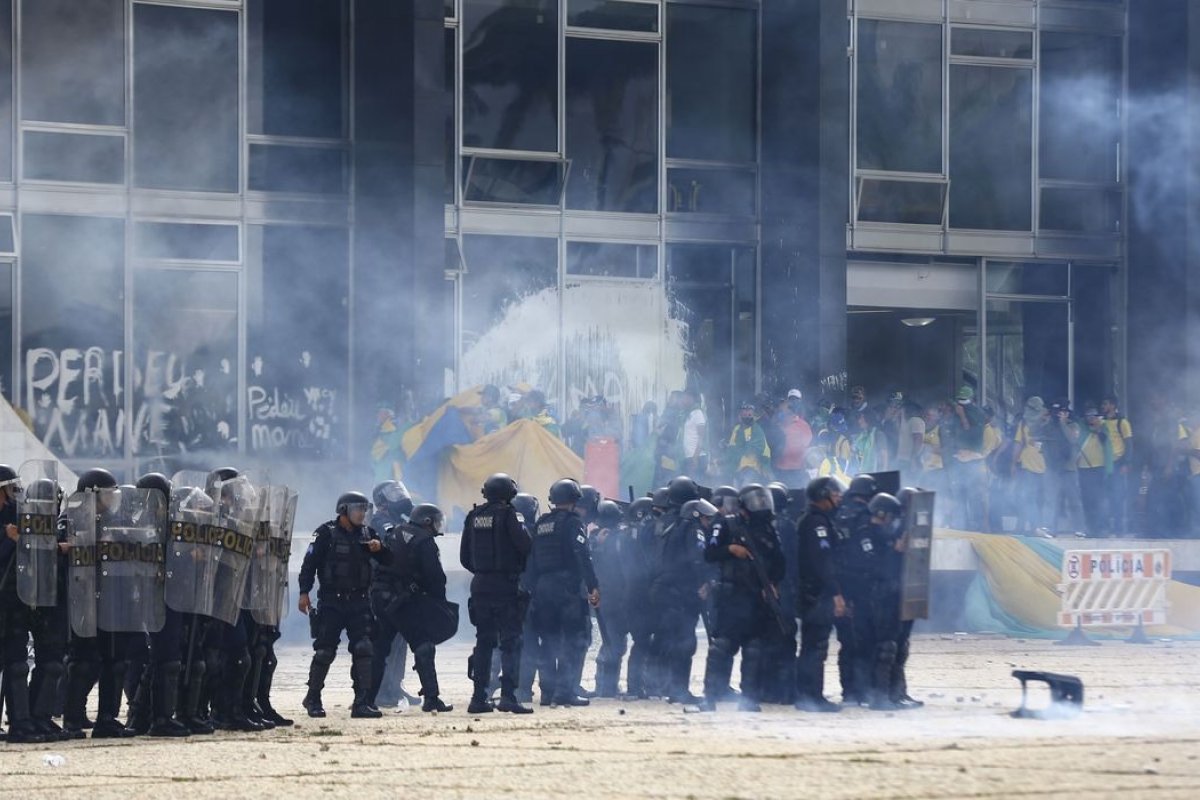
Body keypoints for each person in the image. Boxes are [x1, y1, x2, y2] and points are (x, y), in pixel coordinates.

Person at [298, 491, 388, 719]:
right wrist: (304, 592)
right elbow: (309, 564)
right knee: (325, 650)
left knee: (364, 648)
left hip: (359, 601)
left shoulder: (368, 534)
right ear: (343, 510)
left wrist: (381, 549)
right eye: (357, 508)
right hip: (332, 602)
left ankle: (362, 702)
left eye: (364, 509)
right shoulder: (325, 533)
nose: (362, 513)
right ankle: (313, 697)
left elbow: (389, 560)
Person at [699, 487, 785, 713]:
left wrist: (773, 584)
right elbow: (710, 553)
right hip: (732, 597)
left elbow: (779, 561)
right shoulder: (727, 524)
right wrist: (730, 548)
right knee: (722, 647)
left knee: (754, 649)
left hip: (757, 597)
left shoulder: (768, 529)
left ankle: (749, 699)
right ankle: (710, 696)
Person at [460, 473, 534, 714]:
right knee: (511, 642)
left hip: (480, 584)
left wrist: (483, 571)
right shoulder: (510, 515)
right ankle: (508, 696)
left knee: (484, 641)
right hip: (505, 586)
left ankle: (478, 697)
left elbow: (465, 556)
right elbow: (525, 545)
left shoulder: (473, 516)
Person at [369, 503, 453, 713]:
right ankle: (432, 699)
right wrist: (438, 602)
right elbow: (435, 577)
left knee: (380, 649)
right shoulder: (424, 541)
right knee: (423, 646)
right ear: (427, 521)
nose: (437, 526)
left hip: (381, 598)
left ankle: (366, 699)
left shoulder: (397, 531)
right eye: (435, 521)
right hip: (402, 601)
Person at [528, 479, 601, 707]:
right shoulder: (573, 523)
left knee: (548, 640)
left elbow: (532, 560)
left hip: (543, 588)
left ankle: (548, 692)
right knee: (573, 641)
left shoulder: (541, 524)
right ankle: (565, 691)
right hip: (567, 588)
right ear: (574, 499)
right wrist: (592, 586)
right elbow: (582, 555)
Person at [0, 465, 46, 743]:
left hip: (13, 601)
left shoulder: (14, 515)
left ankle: (21, 723)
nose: (13, 494)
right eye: (9, 488)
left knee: (17, 664)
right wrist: (7, 540)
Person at [793, 476, 847, 713]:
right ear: (823, 495)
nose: (838, 499)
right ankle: (810, 697)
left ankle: (809, 694)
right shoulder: (817, 523)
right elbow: (822, 561)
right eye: (835, 494)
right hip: (816, 594)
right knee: (815, 647)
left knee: (814, 646)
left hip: (814, 592)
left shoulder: (818, 520)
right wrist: (836, 592)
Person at [369, 480, 419, 709]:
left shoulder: (399, 521)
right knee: (385, 643)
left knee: (400, 642)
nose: (401, 498)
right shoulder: (380, 521)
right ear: (381, 501)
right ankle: (381, 690)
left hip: (399, 589)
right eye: (394, 494)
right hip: (383, 589)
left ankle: (393, 685)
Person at [591, 500, 632, 698]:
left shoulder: (594, 537)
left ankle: (607, 686)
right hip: (613, 596)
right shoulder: (614, 538)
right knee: (614, 643)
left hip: (606, 595)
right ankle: (605, 686)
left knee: (613, 641)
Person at [1101, 396, 1133, 534]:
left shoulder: (1122, 422)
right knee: (1104, 496)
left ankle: (1119, 528)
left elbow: (1129, 444)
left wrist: (1127, 463)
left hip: (1118, 463)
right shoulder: (1101, 422)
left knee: (1118, 496)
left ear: (1113, 405)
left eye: (1106, 403)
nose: (1103, 406)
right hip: (1103, 463)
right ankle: (1106, 526)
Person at [772, 390, 813, 488]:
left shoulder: (803, 425)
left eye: (789, 409)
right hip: (780, 468)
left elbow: (808, 445)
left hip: (797, 469)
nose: (786, 411)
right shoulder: (777, 424)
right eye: (785, 409)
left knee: (796, 494)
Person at [726, 401, 771, 484]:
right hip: (737, 469)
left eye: (749, 414)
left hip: (752, 469)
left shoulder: (757, 430)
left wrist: (740, 449)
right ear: (740, 414)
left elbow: (756, 449)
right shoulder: (737, 428)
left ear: (753, 415)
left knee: (745, 492)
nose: (746, 415)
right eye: (744, 413)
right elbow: (731, 447)